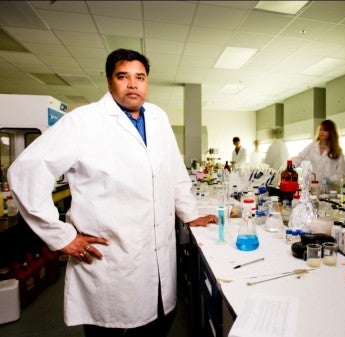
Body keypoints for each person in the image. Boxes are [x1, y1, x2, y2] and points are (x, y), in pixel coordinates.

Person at [7, 49, 218, 337]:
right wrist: (62, 237)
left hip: (157, 257)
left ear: (147, 82)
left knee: (158, 324)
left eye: (140, 77)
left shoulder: (157, 117)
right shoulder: (84, 121)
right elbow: (26, 171)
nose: (133, 84)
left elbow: (175, 175)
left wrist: (191, 215)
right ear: (109, 81)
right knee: (109, 330)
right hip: (109, 259)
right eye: (123, 76)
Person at [291, 119, 345, 189]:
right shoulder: (312, 146)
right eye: (320, 130)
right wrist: (290, 166)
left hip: (328, 191)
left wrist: (330, 180)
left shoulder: (337, 151)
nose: (321, 132)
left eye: (325, 130)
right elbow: (299, 158)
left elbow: (341, 174)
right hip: (311, 189)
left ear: (331, 132)